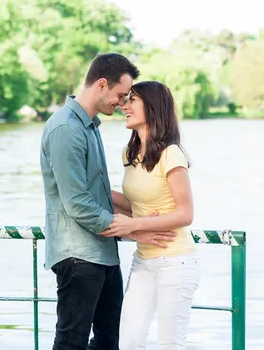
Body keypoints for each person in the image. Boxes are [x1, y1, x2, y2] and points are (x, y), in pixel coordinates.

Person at [40, 54, 177, 350]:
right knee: (70, 342)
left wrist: (150, 214)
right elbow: (78, 203)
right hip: (77, 255)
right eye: (120, 95)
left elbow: (99, 192)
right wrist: (136, 231)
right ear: (101, 85)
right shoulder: (66, 129)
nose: (122, 102)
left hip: (102, 253)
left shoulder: (89, 126)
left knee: (110, 339)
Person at [99, 81, 200, 349]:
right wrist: (97, 191)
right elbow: (136, 204)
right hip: (143, 261)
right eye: (125, 100)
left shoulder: (171, 154)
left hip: (176, 261)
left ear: (152, 107)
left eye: (132, 100)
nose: (124, 105)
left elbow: (186, 214)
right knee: (129, 341)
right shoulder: (129, 154)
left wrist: (135, 224)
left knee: (169, 344)